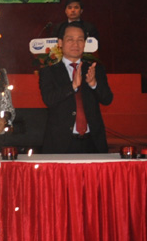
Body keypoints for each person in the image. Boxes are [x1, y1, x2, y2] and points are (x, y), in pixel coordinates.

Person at [39, 22, 113, 153]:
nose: (76, 44)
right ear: (60, 43)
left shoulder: (94, 69)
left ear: (84, 43)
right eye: (70, 39)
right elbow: (49, 99)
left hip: (92, 142)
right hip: (60, 143)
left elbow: (107, 99)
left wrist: (93, 84)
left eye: (80, 40)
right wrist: (72, 86)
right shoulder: (49, 72)